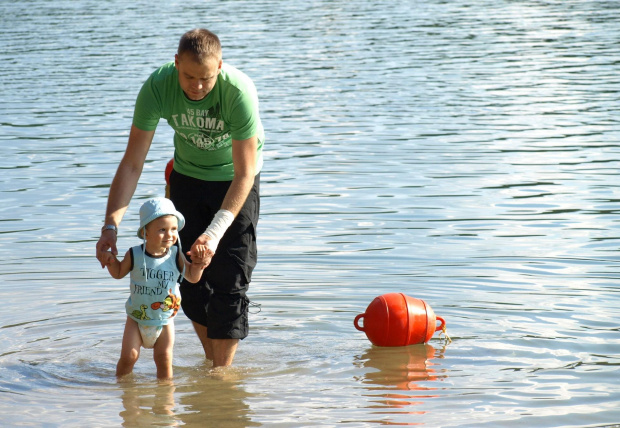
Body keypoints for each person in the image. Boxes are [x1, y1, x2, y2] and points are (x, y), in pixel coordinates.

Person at [96, 28, 264, 368]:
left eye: (205, 78)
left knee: (229, 280)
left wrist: (214, 233)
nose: (197, 86)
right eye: (188, 76)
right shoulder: (158, 86)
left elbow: (245, 173)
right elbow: (132, 163)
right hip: (187, 176)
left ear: (219, 67)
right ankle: (213, 363)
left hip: (235, 181)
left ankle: (221, 375)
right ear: (176, 64)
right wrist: (110, 227)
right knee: (189, 278)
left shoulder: (238, 92)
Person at [101, 197, 208, 379]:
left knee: (164, 359)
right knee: (129, 357)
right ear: (145, 233)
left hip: (164, 320)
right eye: (162, 230)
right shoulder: (134, 254)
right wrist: (111, 261)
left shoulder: (175, 255)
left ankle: (165, 399)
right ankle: (122, 390)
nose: (169, 235)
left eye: (174, 229)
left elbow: (192, 277)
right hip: (137, 318)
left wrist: (199, 264)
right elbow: (119, 273)